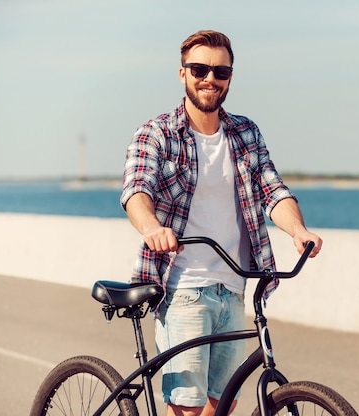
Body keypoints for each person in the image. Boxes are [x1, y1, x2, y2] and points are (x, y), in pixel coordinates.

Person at [120, 30, 322, 416]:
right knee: (189, 410)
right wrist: (151, 228)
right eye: (199, 68)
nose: (210, 78)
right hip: (183, 288)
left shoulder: (245, 134)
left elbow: (273, 190)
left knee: (221, 406)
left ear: (230, 77)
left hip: (233, 288)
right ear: (183, 74)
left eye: (220, 71)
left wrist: (298, 230)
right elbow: (136, 190)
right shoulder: (157, 134)